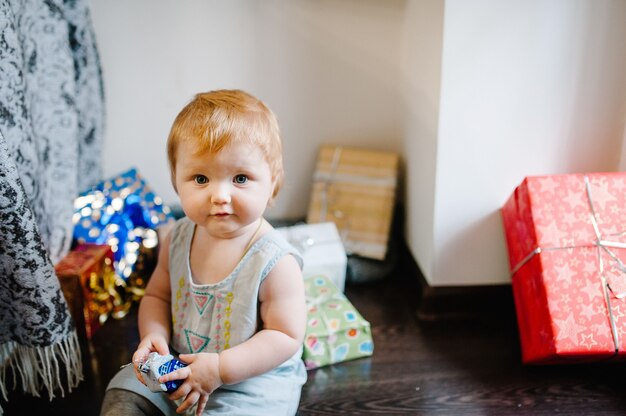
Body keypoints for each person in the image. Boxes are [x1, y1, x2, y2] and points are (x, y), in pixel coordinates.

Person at [100, 89, 307, 416]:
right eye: (201, 178)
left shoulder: (275, 261)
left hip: (248, 384)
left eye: (240, 178)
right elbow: (157, 296)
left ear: (273, 184)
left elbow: (285, 335)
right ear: (176, 182)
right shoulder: (178, 237)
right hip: (180, 365)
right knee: (123, 395)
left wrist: (221, 368)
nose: (220, 195)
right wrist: (153, 336)